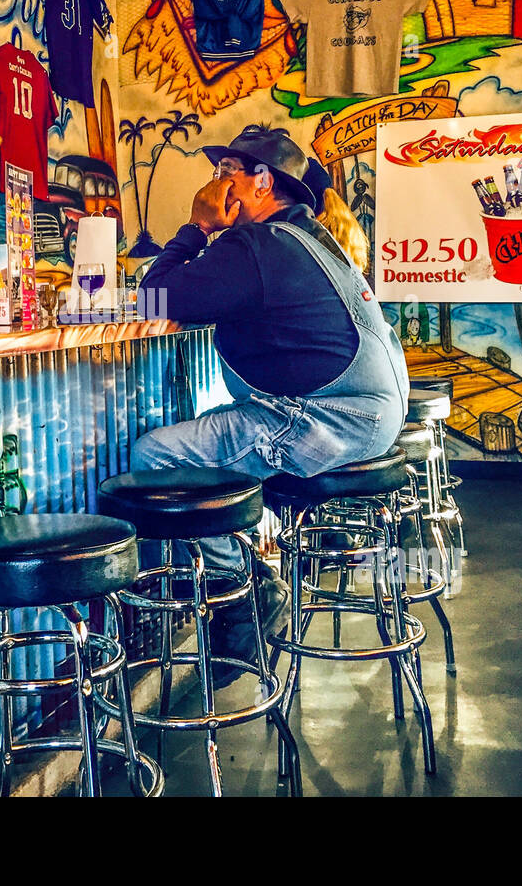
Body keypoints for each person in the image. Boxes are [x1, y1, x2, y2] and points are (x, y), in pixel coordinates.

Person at [134, 125, 409, 684]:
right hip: (366, 415)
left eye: (224, 173)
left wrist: (196, 225)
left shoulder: (255, 245)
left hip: (330, 419)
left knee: (159, 455)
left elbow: (153, 296)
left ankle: (239, 595)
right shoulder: (305, 238)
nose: (214, 184)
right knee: (212, 439)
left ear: (260, 182)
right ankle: (251, 568)